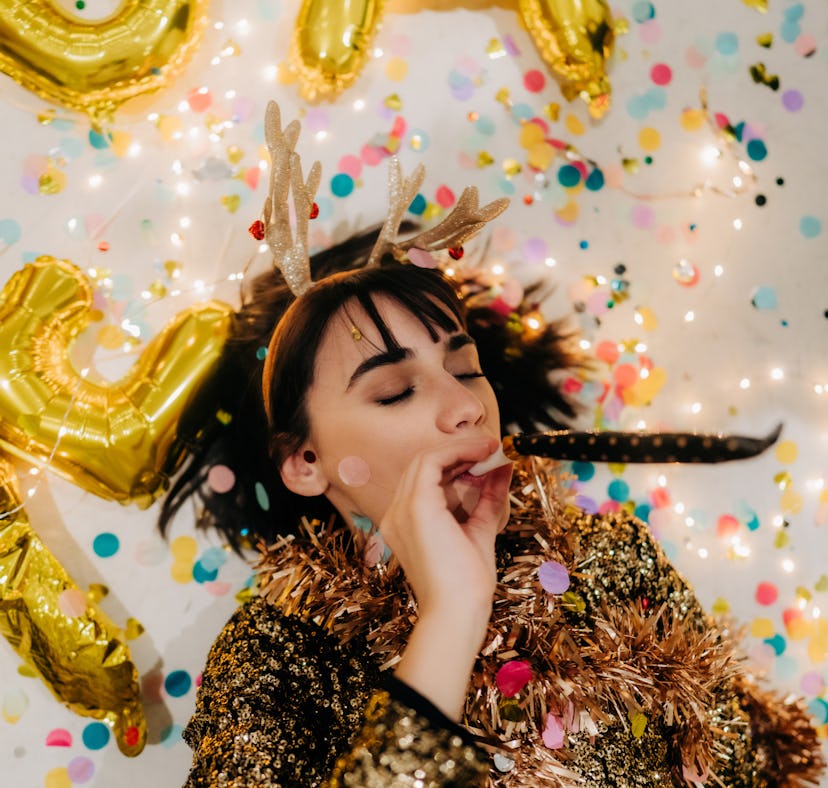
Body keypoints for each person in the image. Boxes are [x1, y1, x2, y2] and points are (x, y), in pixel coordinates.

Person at [161, 103, 825, 786]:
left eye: (465, 369)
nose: (463, 407)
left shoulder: (611, 558)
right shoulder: (274, 658)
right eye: (394, 391)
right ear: (304, 463)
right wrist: (452, 615)